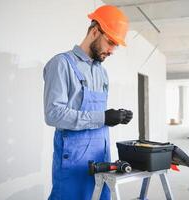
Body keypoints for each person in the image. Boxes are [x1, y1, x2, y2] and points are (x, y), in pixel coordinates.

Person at [43, 5, 133, 200]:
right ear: (94, 31)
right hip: (73, 161)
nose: (112, 51)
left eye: (115, 45)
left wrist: (114, 116)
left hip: (101, 157)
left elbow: (98, 117)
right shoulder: (61, 64)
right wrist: (103, 117)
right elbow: (53, 114)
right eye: (110, 42)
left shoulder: (102, 72)